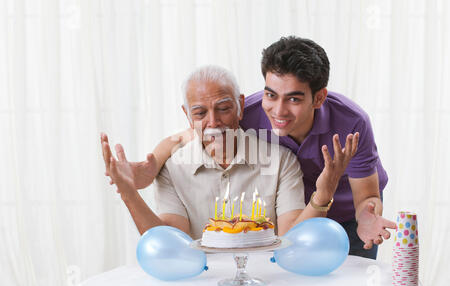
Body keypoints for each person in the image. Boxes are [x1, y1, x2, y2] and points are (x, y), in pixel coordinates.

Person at [107, 36, 396, 260]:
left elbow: (367, 194)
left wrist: (367, 215)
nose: (278, 110)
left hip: (347, 216)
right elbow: (196, 132)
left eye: (294, 99)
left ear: (318, 98)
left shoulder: (351, 122)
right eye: (272, 94)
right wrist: (152, 164)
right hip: (299, 213)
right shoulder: (253, 111)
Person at [100, 65, 357, 239]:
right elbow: (169, 242)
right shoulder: (173, 168)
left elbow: (292, 240)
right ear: (188, 117)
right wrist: (129, 193)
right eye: (200, 113)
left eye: (223, 108)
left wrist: (324, 194)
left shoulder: (280, 161)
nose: (213, 122)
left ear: (241, 106)